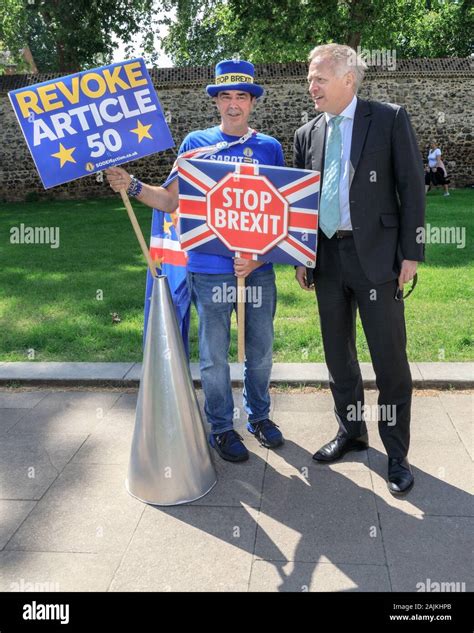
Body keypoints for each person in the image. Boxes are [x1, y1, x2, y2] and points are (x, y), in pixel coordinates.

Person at [106, 59, 285, 463]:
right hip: (207, 268)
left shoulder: (269, 147)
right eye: (226, 97)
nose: (234, 104)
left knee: (259, 352)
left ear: (252, 102)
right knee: (214, 355)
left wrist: (257, 258)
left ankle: (259, 417)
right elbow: (171, 200)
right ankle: (222, 427)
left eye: (242, 96)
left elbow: (281, 210)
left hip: (257, 270)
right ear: (217, 102)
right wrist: (131, 184)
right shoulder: (195, 144)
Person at [294, 44, 425, 495]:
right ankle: (351, 432)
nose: (310, 86)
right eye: (310, 78)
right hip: (327, 258)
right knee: (338, 357)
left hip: (377, 259)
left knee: (389, 361)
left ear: (348, 79)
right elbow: (301, 203)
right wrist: (302, 254)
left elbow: (412, 186)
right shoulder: (307, 133)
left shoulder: (388, 118)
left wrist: (412, 253)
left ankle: (397, 454)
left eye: (318, 78)